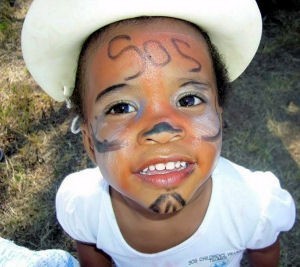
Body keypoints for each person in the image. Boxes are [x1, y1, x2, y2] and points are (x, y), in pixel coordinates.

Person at [21, 0, 296, 266]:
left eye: (188, 100)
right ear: (90, 141)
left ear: (219, 117)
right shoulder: (85, 208)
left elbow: (265, 251)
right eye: (121, 107)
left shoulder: (253, 207)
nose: (162, 130)